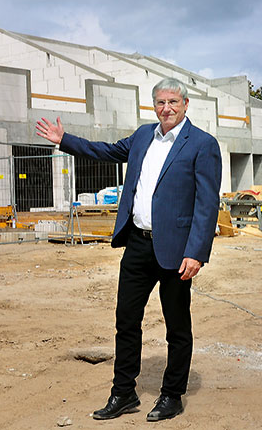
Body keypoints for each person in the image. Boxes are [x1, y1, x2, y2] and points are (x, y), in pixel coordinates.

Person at [35, 77, 221, 422]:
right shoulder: (142, 136)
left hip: (177, 251)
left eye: (173, 102)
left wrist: (197, 252)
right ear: (155, 106)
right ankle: (123, 393)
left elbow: (207, 204)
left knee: (177, 326)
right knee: (126, 320)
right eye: (161, 102)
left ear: (185, 105)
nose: (166, 108)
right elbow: (105, 151)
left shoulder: (202, 144)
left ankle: (172, 394)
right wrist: (65, 141)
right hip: (138, 244)